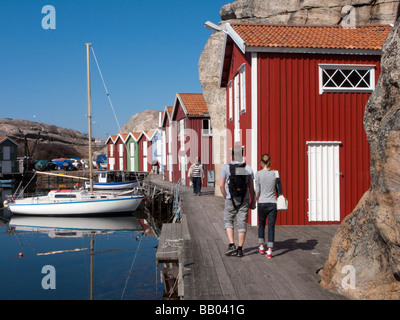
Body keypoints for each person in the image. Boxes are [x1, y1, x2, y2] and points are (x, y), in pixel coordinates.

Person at [220, 145, 256, 257]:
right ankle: (240, 249)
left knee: (228, 220)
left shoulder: (226, 168)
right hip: (244, 199)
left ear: (232, 155)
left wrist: (226, 196)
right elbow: (251, 187)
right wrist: (253, 201)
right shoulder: (248, 168)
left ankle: (231, 244)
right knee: (242, 223)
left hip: (231, 198)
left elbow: (221, 185)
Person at [254, 153, 283, 259]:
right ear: (270, 162)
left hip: (262, 202)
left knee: (261, 225)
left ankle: (261, 246)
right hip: (272, 203)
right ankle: (270, 250)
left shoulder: (258, 174)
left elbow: (257, 190)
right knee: (271, 226)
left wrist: (256, 199)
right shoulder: (275, 173)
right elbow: (279, 189)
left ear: (261, 162)